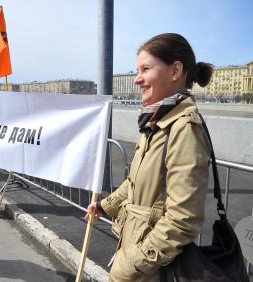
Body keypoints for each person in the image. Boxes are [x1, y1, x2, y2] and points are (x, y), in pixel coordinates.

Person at [85, 33, 213, 282]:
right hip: (135, 254)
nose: (137, 79)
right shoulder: (157, 123)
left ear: (176, 70)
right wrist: (104, 206)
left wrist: (133, 264)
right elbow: (133, 182)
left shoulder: (184, 129)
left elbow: (183, 219)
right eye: (137, 70)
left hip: (150, 270)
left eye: (145, 69)